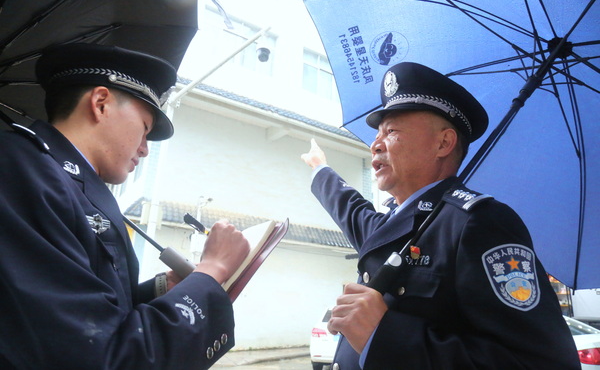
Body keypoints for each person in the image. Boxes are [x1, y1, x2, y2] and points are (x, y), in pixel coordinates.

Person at [301, 62, 580, 369]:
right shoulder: (397, 224)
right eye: (377, 134)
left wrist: (384, 335)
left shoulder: (479, 223)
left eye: (391, 131)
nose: (375, 145)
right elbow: (352, 211)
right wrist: (320, 169)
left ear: (444, 143)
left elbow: (544, 363)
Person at [0, 43, 250, 369]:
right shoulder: (19, 171)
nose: (145, 149)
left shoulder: (59, 177)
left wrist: (162, 290)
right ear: (101, 103)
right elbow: (97, 356)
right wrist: (211, 270)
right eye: (145, 129)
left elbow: (85, 312)